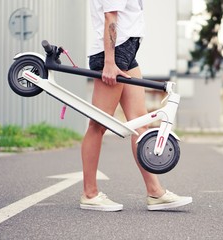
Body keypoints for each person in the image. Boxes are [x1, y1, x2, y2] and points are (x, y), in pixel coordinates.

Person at [79, 0, 192, 211]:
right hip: (113, 53)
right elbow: (110, 17)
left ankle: (155, 192)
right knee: (99, 124)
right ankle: (89, 193)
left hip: (126, 52)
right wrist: (110, 63)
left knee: (140, 124)